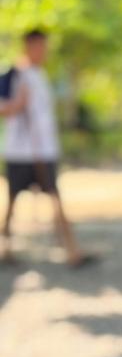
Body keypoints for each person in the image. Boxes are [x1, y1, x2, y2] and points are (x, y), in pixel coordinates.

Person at [0, 29, 91, 266]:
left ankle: (72, 250)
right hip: (21, 152)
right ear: (28, 46)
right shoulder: (13, 75)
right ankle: (5, 247)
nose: (43, 52)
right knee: (12, 201)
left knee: (55, 197)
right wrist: (18, 103)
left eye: (45, 47)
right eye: (40, 46)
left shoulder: (40, 75)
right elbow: (4, 108)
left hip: (44, 151)